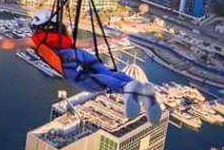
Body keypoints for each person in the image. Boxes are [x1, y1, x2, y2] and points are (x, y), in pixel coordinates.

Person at [29, 10, 162, 123]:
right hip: (85, 60)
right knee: (111, 74)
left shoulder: (43, 43)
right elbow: (88, 43)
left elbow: (18, 44)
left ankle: (128, 87)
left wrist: (112, 40)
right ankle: (137, 87)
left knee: (100, 80)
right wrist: (112, 39)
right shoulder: (63, 40)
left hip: (77, 70)